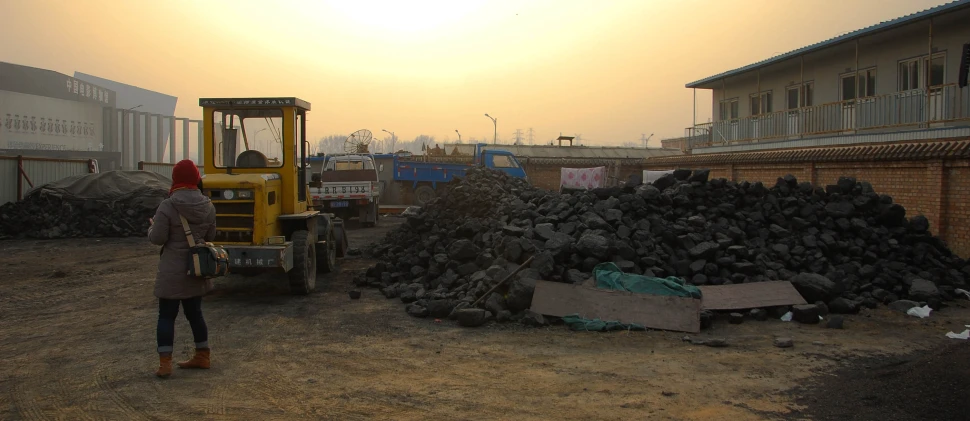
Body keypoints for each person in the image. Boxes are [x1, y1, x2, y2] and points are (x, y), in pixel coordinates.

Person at [147, 159, 217, 378]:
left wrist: (152, 228)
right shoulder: (208, 205)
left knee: (166, 316)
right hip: (196, 269)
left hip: (172, 271)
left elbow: (158, 238)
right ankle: (203, 356)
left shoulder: (168, 205)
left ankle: (165, 364)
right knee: (195, 314)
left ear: (176, 178)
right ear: (196, 178)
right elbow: (211, 237)